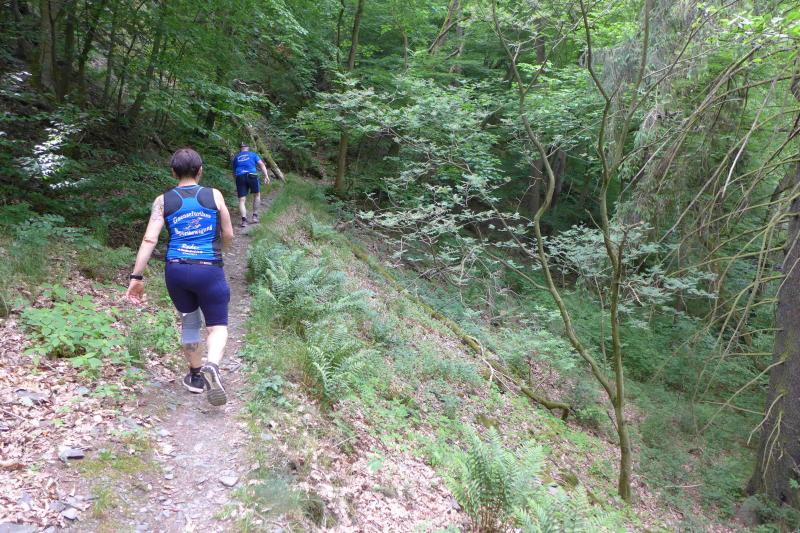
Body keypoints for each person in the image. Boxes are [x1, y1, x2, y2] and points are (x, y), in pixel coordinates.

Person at [125, 148, 234, 406]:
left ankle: (196, 376)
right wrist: (219, 254)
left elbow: (149, 239)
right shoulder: (214, 195)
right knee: (217, 326)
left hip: (176, 269)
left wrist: (136, 276)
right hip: (208, 268)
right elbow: (228, 233)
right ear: (200, 171)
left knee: (189, 321)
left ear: (173, 172)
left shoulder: (163, 201)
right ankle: (212, 366)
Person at [232, 142, 270, 228]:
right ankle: (254, 216)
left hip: (240, 177)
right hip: (252, 175)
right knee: (257, 195)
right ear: (248, 148)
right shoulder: (253, 154)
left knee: (242, 200)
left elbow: (234, 172)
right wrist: (266, 176)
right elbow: (261, 164)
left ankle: (244, 221)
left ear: (240, 148)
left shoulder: (236, 157)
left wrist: (236, 180)